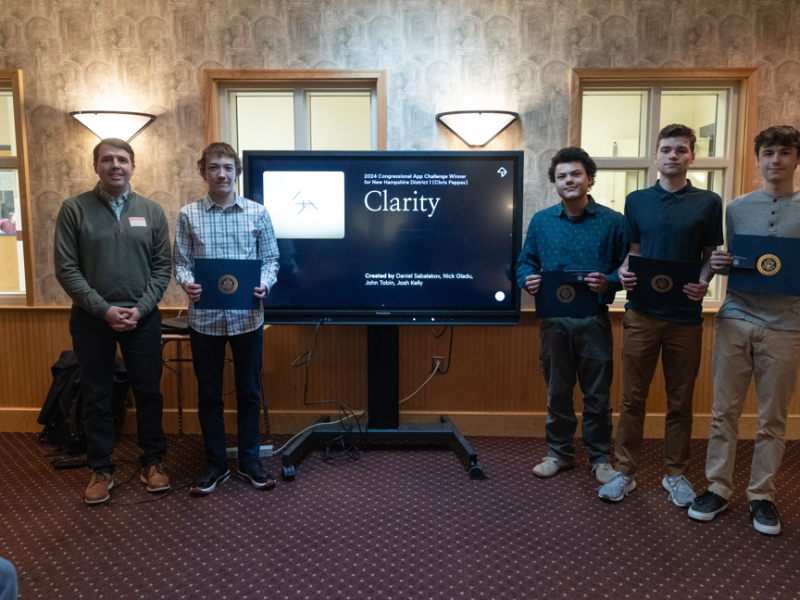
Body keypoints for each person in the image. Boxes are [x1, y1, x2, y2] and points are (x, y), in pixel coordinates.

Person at [598, 124, 723, 506]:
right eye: (666, 149)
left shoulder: (709, 202)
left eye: (681, 150)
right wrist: (622, 270)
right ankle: (624, 472)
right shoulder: (636, 200)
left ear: (691, 157)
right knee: (632, 398)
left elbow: (710, 257)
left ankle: (676, 475)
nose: (673, 156)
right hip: (640, 314)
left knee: (680, 400)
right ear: (656, 156)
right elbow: (634, 250)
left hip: (686, 316)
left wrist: (705, 282)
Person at [688, 126, 800, 535]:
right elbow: (733, 261)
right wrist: (719, 264)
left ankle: (762, 495)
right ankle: (718, 487)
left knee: (773, 418)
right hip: (735, 317)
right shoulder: (736, 209)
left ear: (795, 160)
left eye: (785, 153)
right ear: (758, 159)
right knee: (723, 413)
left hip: (787, 325)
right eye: (768, 153)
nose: (776, 161)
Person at [54, 138, 172, 505]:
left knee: (149, 393)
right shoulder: (74, 210)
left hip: (144, 318)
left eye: (122, 159)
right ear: (96, 166)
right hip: (92, 320)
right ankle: (101, 467)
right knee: (97, 394)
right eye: (108, 160)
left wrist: (140, 308)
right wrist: (104, 309)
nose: (115, 165)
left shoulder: (151, 212)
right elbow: (66, 269)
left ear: (133, 166)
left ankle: (152, 462)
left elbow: (162, 267)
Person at [174, 142, 279, 495]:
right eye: (214, 167)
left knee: (249, 393)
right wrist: (187, 283)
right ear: (203, 171)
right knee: (209, 395)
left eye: (228, 167)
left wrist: (264, 284)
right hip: (204, 321)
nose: (221, 173)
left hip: (248, 318)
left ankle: (250, 461)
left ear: (237, 172)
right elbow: (181, 263)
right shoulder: (188, 214)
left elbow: (271, 261)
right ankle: (216, 465)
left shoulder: (257, 212)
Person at [516, 147, 626, 483]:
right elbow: (524, 262)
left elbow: (628, 270)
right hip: (553, 322)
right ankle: (559, 453)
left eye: (576, 174)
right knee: (558, 391)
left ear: (589, 178)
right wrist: (528, 279)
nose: (569, 180)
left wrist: (607, 280)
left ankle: (599, 458)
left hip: (594, 319)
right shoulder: (541, 221)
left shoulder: (613, 221)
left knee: (597, 394)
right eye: (562, 176)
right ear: (555, 183)